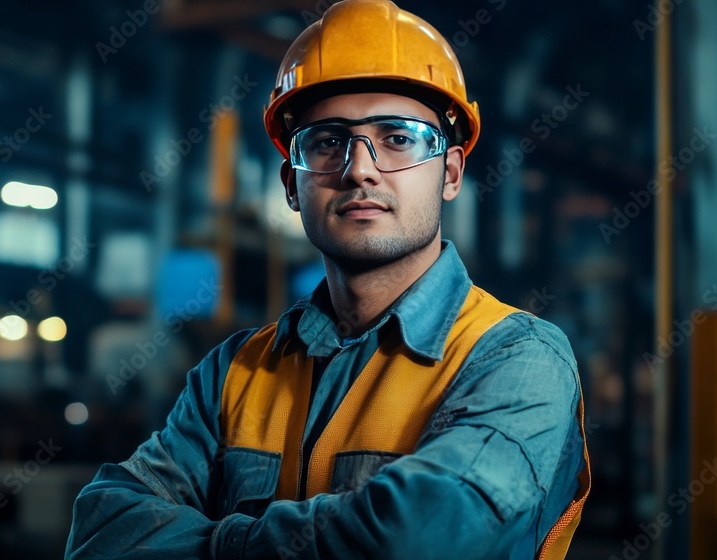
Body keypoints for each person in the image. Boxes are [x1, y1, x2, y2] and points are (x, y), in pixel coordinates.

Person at [64, 0, 590, 558]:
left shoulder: (517, 358)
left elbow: (419, 537)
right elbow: (103, 529)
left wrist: (214, 545)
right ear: (292, 185)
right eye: (326, 141)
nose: (359, 168)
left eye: (398, 138)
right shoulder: (234, 372)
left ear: (451, 173)